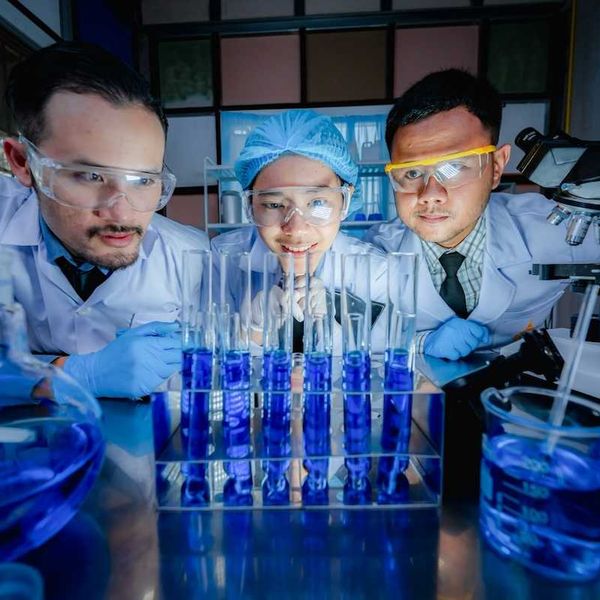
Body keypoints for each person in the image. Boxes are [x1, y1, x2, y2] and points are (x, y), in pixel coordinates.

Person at [0, 42, 209, 398]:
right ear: (22, 162)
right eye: (90, 176)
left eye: (144, 180)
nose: (123, 214)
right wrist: (74, 374)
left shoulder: (193, 257)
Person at [366, 69, 598, 360]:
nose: (430, 194)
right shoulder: (379, 251)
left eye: (454, 167)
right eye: (411, 173)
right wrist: (422, 343)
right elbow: (349, 339)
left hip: (518, 395)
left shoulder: (555, 229)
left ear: (496, 167)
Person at [211, 109, 387, 354]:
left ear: (346, 201)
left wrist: (331, 330)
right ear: (250, 205)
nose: (296, 229)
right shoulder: (221, 260)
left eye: (317, 203)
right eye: (273, 205)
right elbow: (207, 363)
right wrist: (251, 332)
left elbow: (379, 366)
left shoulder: (374, 270)